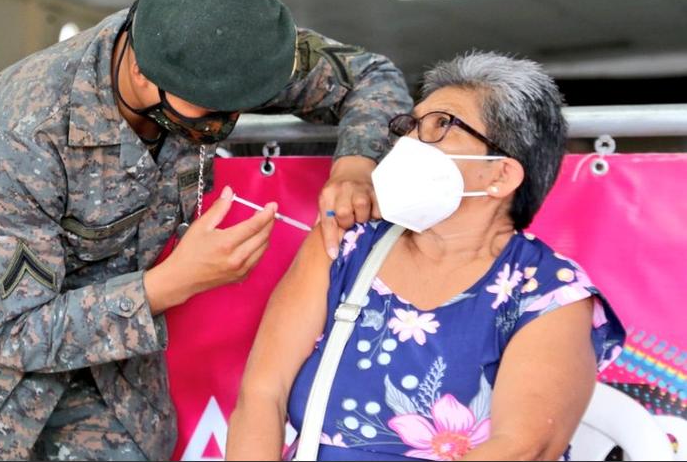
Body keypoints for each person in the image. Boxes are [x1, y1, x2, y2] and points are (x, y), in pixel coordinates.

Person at [0, 0, 413, 461]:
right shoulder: (31, 125)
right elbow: (20, 333)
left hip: (114, 371)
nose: (229, 119)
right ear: (144, 73)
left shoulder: (228, 52)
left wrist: (355, 164)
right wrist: (177, 281)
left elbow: (370, 75)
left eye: (241, 104)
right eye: (212, 109)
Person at [227, 51, 625, 461]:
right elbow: (262, 395)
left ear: (500, 174)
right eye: (411, 125)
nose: (409, 141)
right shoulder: (346, 244)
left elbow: (522, 447)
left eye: (441, 125)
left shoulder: (548, 293)